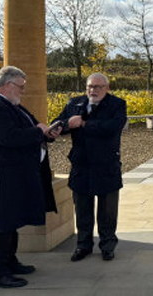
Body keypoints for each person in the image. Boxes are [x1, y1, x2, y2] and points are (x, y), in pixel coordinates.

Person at [0, 66, 58, 288]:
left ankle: (10, 262)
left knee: (10, 221)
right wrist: (39, 131)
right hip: (2, 177)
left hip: (15, 175)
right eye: (20, 87)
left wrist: (48, 134)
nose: (23, 91)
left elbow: (33, 129)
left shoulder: (11, 106)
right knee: (0, 225)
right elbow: (9, 138)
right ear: (7, 85)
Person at [52, 73, 127, 262]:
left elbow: (111, 127)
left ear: (107, 88)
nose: (93, 90)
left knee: (108, 211)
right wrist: (64, 125)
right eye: (90, 86)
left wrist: (84, 124)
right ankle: (83, 245)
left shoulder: (117, 105)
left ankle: (107, 245)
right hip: (81, 165)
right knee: (82, 209)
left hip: (106, 165)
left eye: (98, 87)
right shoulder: (75, 103)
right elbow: (60, 123)